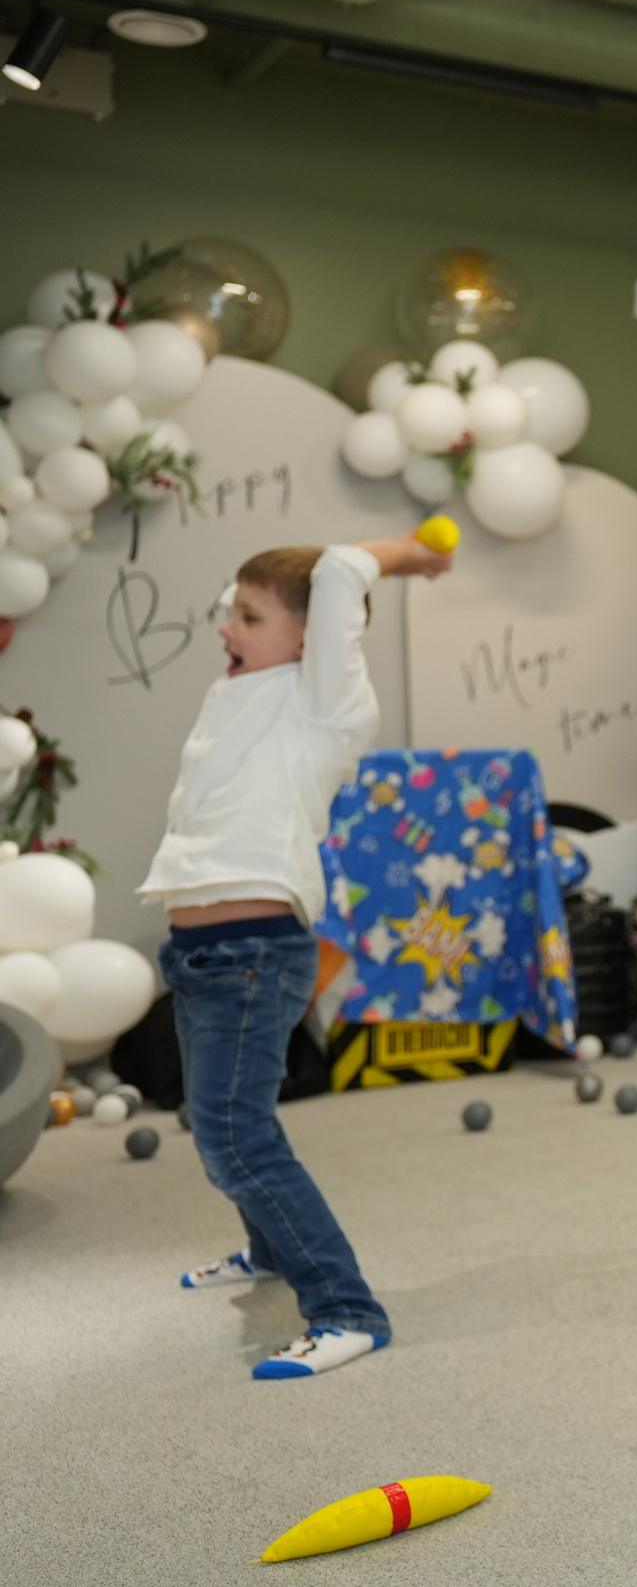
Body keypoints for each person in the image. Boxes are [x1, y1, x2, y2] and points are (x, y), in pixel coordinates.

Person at [143, 535, 451, 1380]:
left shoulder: (323, 706)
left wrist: (409, 555)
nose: (226, 627)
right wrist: (254, 604)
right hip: (201, 954)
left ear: (314, 642)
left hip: (251, 955)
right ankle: (268, 1249)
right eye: (229, 611)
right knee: (220, 1127)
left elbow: (341, 570)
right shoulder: (240, 694)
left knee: (238, 1134)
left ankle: (348, 1308)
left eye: (248, 616)